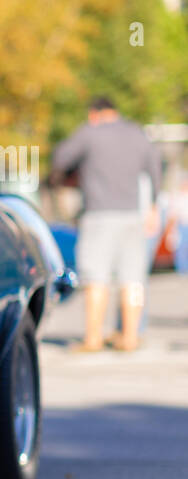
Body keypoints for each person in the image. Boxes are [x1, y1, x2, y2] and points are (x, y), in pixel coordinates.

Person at [50, 97, 160, 352]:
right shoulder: (137, 133)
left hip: (99, 214)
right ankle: (130, 337)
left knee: (96, 277)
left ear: (94, 113)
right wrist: (153, 206)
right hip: (133, 215)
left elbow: (61, 158)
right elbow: (154, 169)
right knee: (133, 279)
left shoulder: (91, 132)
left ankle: (93, 338)